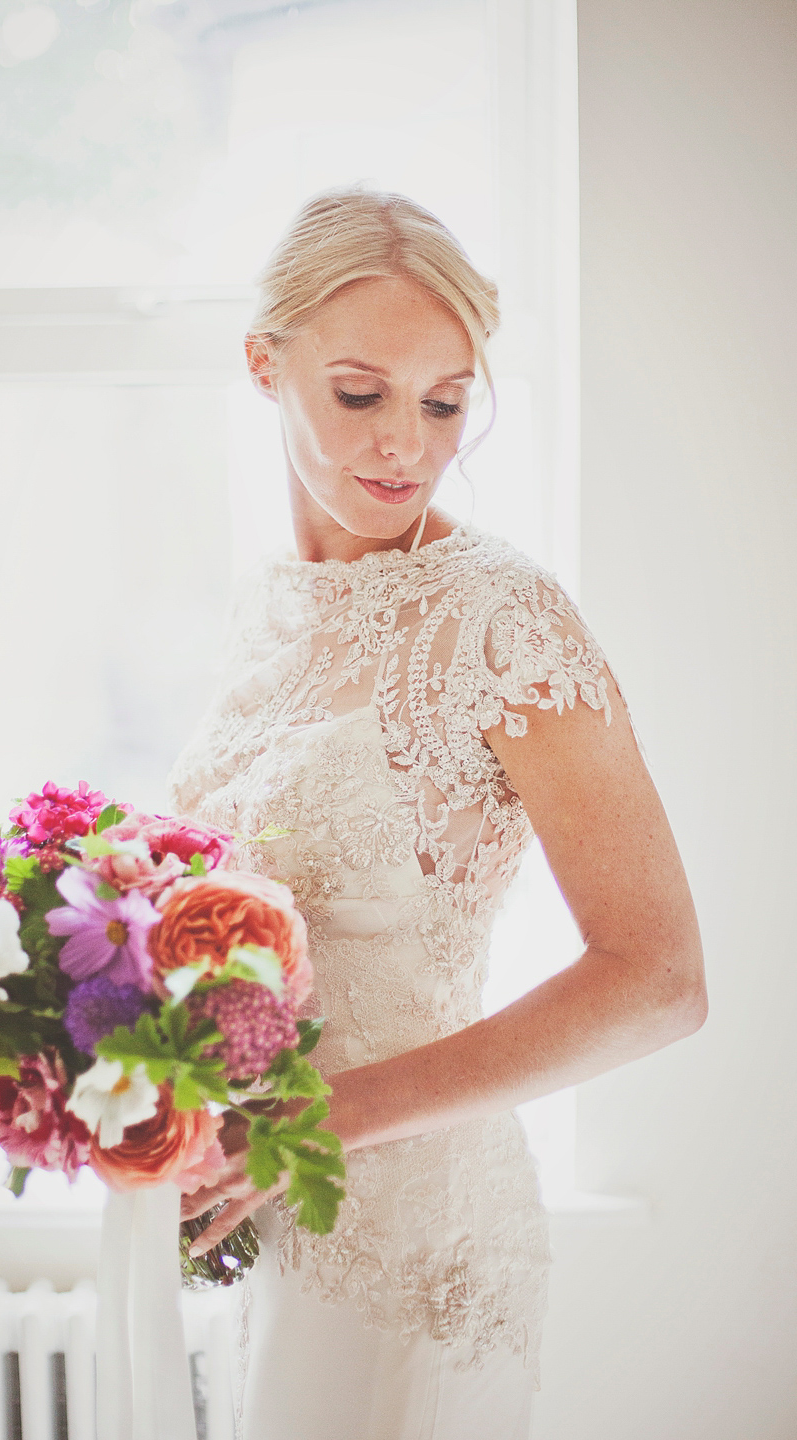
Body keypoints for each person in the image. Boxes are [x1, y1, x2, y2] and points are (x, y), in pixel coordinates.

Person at [170, 187, 706, 1440]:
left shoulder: (501, 616)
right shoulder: (268, 612)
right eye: (360, 394)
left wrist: (322, 1124)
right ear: (265, 363)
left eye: (445, 400)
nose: (405, 443)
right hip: (260, 1223)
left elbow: (662, 978)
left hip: (415, 1235)